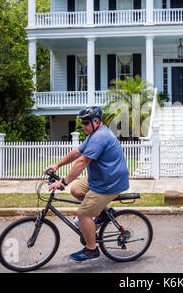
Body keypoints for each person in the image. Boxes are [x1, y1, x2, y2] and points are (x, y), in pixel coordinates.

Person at [44, 106, 129, 262]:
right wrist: (57, 165)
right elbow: (77, 152)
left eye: (85, 123)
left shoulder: (100, 137)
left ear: (96, 122)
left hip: (109, 182)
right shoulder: (93, 134)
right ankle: (104, 213)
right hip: (99, 178)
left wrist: (63, 182)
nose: (82, 126)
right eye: (81, 122)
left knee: (83, 214)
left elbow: (82, 161)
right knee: (76, 190)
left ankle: (91, 250)